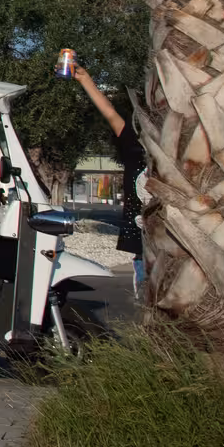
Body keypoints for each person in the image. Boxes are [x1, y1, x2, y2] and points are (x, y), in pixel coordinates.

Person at [70, 61, 147, 292]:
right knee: (146, 296)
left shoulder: (175, 150)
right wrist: (85, 80)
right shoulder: (132, 142)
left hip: (172, 241)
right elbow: (110, 112)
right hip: (142, 243)